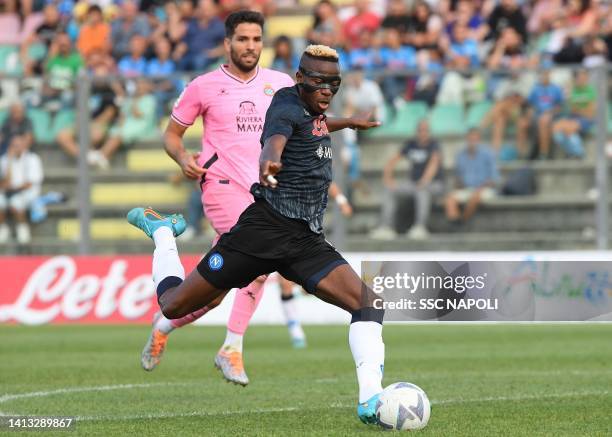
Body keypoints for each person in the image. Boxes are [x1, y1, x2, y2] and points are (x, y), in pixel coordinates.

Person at [128, 44, 385, 426]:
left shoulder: (311, 111)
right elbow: (277, 136)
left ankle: (370, 401)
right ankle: (163, 233)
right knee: (174, 306)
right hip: (260, 233)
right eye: (318, 81)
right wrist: (269, 159)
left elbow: (311, 125)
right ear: (300, 79)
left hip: (305, 240)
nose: (327, 89)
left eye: (334, 82)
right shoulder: (284, 103)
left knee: (369, 304)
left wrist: (347, 122)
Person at [136, 11, 295, 383]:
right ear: (228, 43)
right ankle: (231, 349)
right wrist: (182, 158)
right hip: (222, 187)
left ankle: (164, 325)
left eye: (256, 39)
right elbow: (172, 135)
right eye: (243, 39)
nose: (250, 46)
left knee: (212, 294)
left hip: (266, 195)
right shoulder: (204, 86)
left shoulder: (281, 84)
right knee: (260, 257)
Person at [370, 119, 443, 240]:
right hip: (414, 184)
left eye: (425, 130)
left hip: (434, 184)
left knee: (422, 191)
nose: (423, 133)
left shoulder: (434, 144)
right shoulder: (411, 144)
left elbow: (434, 163)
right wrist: (388, 178)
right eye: (420, 130)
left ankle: (420, 227)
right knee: (390, 190)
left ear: (429, 132)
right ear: (417, 131)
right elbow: (393, 160)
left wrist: (424, 181)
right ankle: (387, 227)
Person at [445, 128, 499, 226]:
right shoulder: (460, 155)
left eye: (475, 139)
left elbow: (494, 178)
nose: (472, 141)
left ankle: (463, 220)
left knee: (475, 196)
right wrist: (458, 184)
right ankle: (455, 220)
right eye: (470, 139)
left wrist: (481, 187)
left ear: (479, 139)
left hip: (484, 189)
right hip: (466, 189)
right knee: (450, 198)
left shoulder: (488, 154)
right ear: (467, 139)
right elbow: (458, 177)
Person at [0, 136, 43, 244]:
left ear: (24, 146)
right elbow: (5, 181)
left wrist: (13, 188)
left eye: (18, 146)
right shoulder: (5, 159)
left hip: (29, 192)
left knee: (16, 201)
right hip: (10, 191)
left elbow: (30, 184)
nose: (16, 148)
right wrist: (9, 161)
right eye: (13, 146)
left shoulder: (33, 159)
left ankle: (22, 228)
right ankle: (2, 228)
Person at [552, 69, 595, 158]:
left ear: (587, 78)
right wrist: (580, 108)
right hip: (573, 117)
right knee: (556, 128)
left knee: (569, 129)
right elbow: (571, 109)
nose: (580, 79)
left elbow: (591, 112)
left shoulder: (591, 90)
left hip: (587, 119)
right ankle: (573, 152)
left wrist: (579, 109)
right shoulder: (573, 90)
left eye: (583, 76)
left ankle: (579, 153)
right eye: (578, 77)